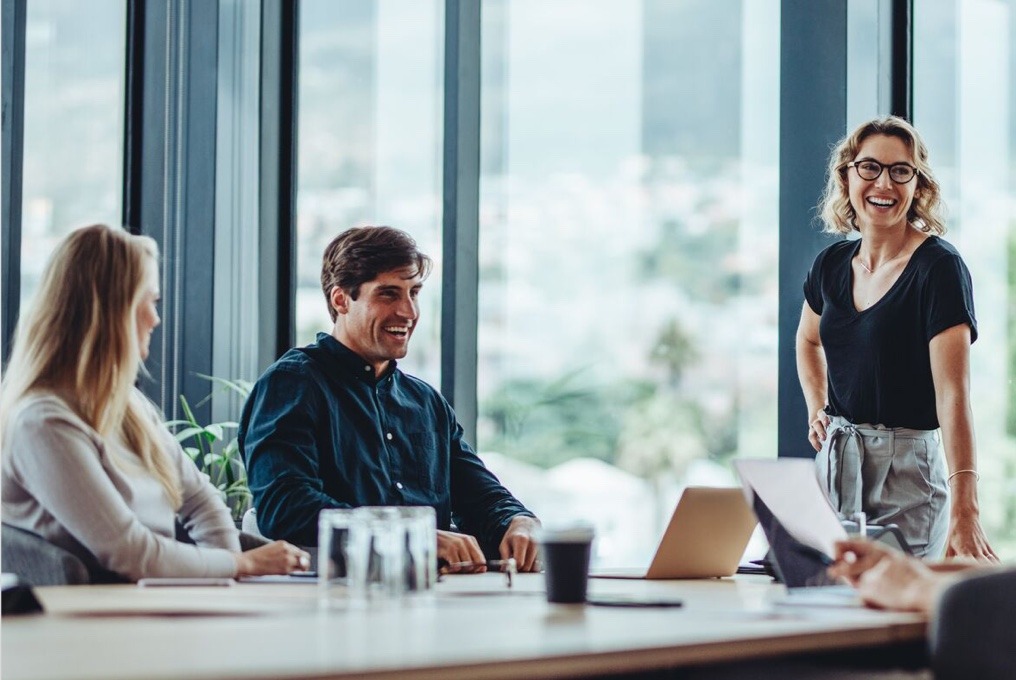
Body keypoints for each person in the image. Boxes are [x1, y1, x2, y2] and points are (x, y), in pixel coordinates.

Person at [1, 224, 310, 582]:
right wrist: (241, 564)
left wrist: (227, 576)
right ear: (112, 312)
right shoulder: (43, 423)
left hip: (148, 602)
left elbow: (199, 499)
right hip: (89, 620)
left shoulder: (127, 405)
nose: (156, 318)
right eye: (149, 301)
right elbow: (129, 552)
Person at [239, 226, 540, 572]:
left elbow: (480, 495)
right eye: (388, 294)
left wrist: (518, 520)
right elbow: (286, 507)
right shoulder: (292, 384)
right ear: (341, 300)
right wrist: (412, 536)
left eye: (414, 293)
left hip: (435, 599)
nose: (408, 312)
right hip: (332, 602)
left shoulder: (425, 402)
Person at [796, 115, 995, 560]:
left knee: (897, 618)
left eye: (899, 170)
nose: (883, 183)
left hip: (907, 473)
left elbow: (953, 395)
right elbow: (808, 341)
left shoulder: (938, 268)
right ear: (847, 175)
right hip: (834, 464)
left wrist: (967, 507)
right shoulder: (830, 265)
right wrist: (816, 407)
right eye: (869, 167)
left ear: (918, 185)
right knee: (829, 610)